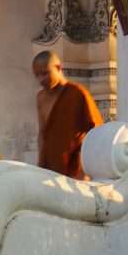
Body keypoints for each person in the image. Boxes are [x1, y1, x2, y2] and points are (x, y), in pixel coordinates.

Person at [32, 50, 103, 179]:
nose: (41, 79)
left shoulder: (77, 94)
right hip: (49, 168)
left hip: (75, 169)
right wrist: (40, 165)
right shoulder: (41, 97)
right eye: (37, 75)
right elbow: (43, 133)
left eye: (45, 73)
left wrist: (85, 170)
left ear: (59, 68)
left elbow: (95, 133)